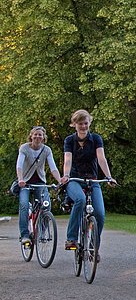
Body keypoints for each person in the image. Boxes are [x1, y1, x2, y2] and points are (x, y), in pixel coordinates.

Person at [60, 110, 117, 262]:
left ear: (89, 123)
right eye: (80, 123)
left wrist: (109, 176)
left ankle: (93, 246)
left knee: (99, 213)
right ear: (74, 125)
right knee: (80, 199)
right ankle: (71, 238)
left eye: (86, 123)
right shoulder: (69, 140)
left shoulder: (96, 139)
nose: (83, 126)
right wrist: (65, 175)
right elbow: (67, 160)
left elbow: (101, 159)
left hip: (92, 179)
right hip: (74, 179)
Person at [16, 126, 62, 244]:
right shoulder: (24, 148)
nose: (37, 136)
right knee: (24, 206)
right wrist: (20, 179)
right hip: (25, 183)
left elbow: (53, 167)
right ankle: (25, 235)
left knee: (46, 205)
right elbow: (19, 165)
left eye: (40, 135)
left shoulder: (46, 150)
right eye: (35, 134)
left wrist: (59, 180)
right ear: (31, 136)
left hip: (40, 182)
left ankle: (41, 232)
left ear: (44, 137)